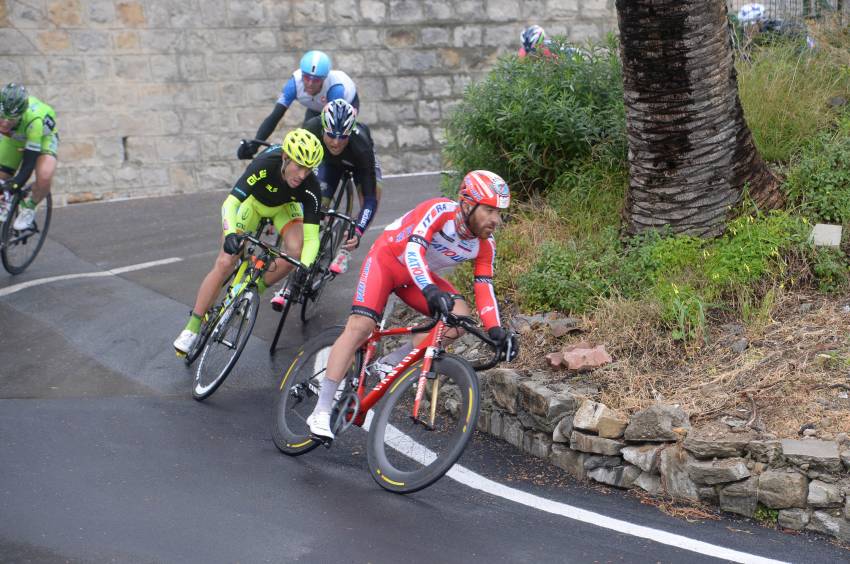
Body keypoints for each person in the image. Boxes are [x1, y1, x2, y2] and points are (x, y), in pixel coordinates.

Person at [304, 170, 519, 439]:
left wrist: (496, 331)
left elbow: (484, 287)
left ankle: (390, 361)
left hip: (415, 278)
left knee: (460, 318)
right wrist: (429, 288)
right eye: (489, 210)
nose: (496, 220)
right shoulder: (439, 211)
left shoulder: (485, 244)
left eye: (499, 212)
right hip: (387, 261)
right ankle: (321, 410)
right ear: (467, 203)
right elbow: (413, 251)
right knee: (361, 326)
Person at [173, 129, 324, 355]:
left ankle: (253, 290)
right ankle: (192, 327)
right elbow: (230, 204)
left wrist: (307, 265)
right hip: (253, 204)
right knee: (225, 261)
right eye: (299, 166)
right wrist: (231, 233)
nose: (302, 175)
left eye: (308, 169)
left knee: (297, 252)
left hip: (284, 208)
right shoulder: (265, 163)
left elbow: (313, 237)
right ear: (285, 157)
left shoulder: (310, 187)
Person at [269, 99, 382, 310]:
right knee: (315, 206)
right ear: (322, 128)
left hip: (359, 162)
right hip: (329, 164)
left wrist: (358, 231)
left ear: (350, 132)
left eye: (342, 137)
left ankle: (346, 250)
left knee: (374, 195)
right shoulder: (312, 128)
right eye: (331, 135)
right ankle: (290, 282)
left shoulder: (361, 145)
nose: (336, 142)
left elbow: (369, 200)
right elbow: (295, 172)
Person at [237, 50, 359, 160]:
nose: (310, 84)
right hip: (316, 108)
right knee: (306, 143)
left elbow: (336, 119)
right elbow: (275, 116)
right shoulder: (294, 84)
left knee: (337, 136)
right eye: (306, 77)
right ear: (302, 75)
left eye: (316, 80)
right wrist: (256, 145)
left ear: (324, 79)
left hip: (344, 105)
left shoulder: (334, 88)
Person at [0, 83, 58, 229]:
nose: (5, 123)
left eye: (11, 119)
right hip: (14, 138)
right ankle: (4, 203)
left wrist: (14, 185)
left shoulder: (34, 120)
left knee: (44, 176)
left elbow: (28, 164)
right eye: (2, 117)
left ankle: (29, 207)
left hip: (42, 138)